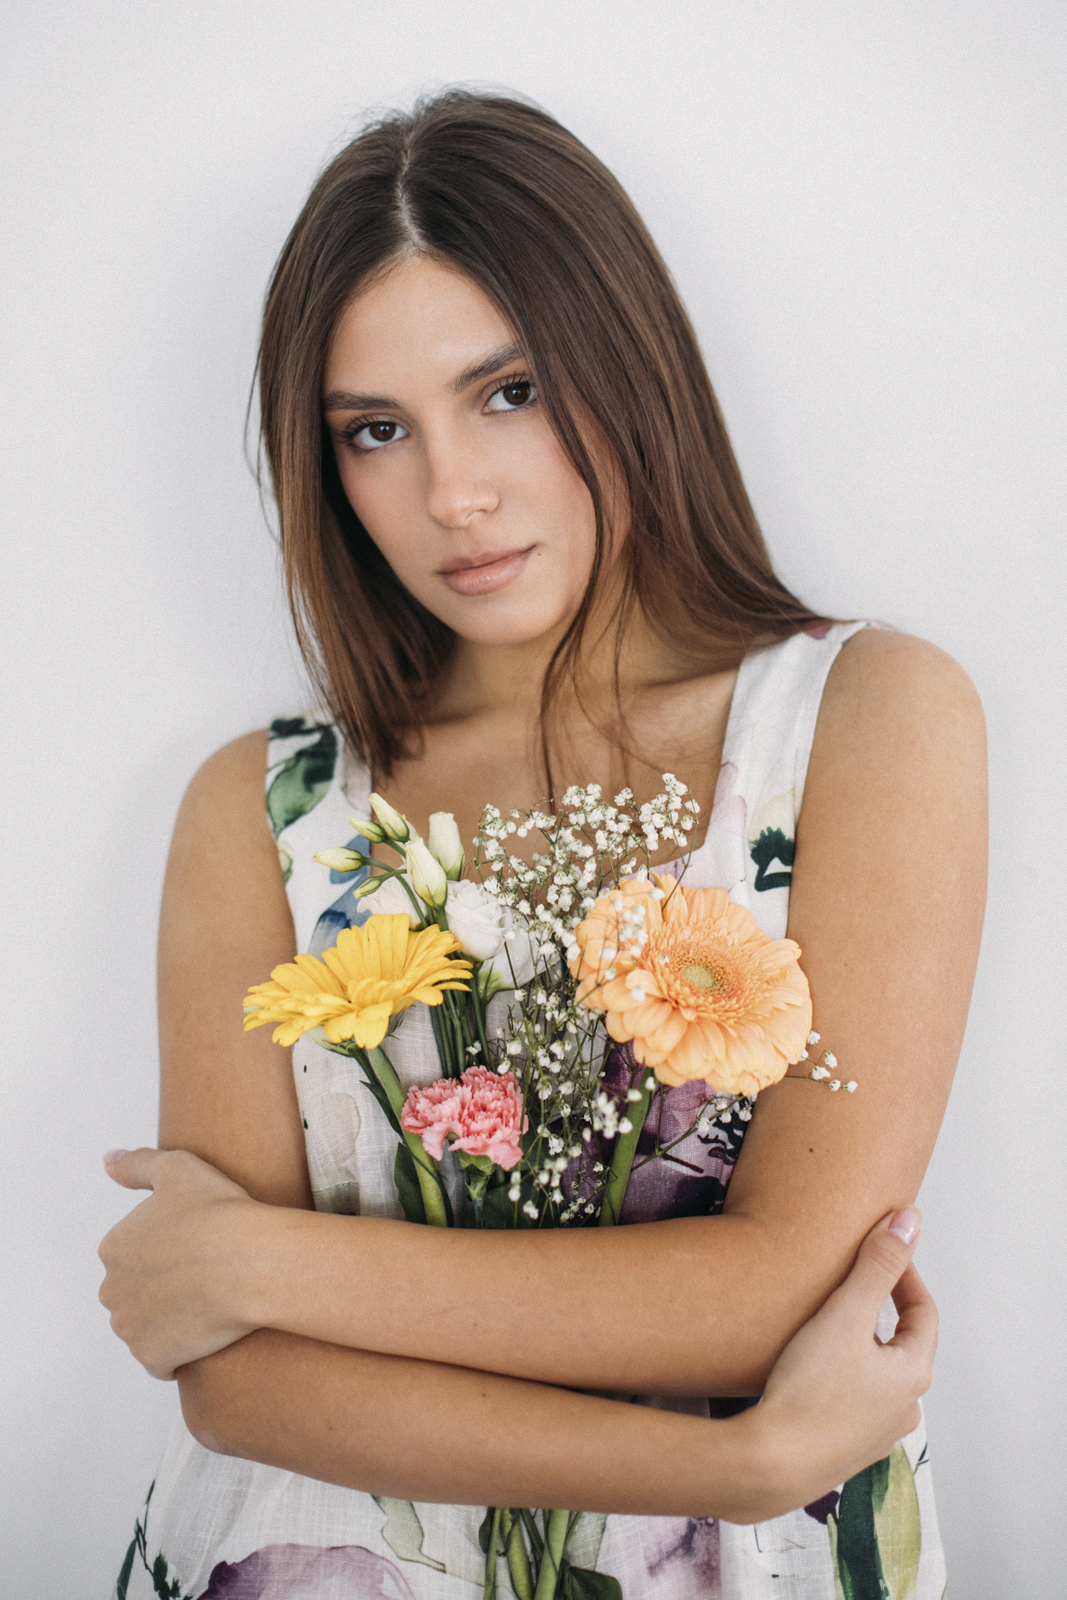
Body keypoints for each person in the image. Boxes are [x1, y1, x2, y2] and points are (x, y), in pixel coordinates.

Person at [98, 91, 985, 1600]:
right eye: (376, 431)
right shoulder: (265, 807)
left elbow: (783, 1284)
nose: (453, 493)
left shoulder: (867, 719)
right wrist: (734, 1468)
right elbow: (234, 1381)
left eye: (507, 392)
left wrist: (253, 1259)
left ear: (625, 364)